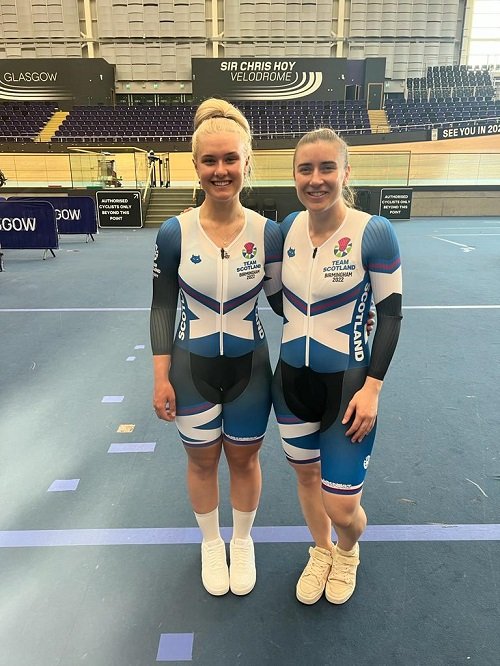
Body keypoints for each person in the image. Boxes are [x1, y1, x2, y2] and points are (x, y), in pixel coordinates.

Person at [150, 98, 283, 597]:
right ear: (195, 165)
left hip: (251, 368)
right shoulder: (173, 232)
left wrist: (353, 304)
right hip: (190, 369)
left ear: (248, 163)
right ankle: (211, 542)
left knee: (246, 460)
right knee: (202, 461)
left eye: (231, 159)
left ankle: (242, 540)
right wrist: (160, 376)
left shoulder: (269, 233)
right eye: (210, 161)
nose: (221, 170)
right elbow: (162, 307)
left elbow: (285, 303)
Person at [272, 127, 402, 605]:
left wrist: (373, 388)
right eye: (306, 169)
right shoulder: (285, 229)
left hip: (349, 388)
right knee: (306, 478)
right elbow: (274, 295)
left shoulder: (373, 231)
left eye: (327, 167)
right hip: (289, 383)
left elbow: (390, 315)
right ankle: (321, 550)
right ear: (294, 176)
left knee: (343, 506)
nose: (316, 178)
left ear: (346, 172)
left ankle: (347, 550)